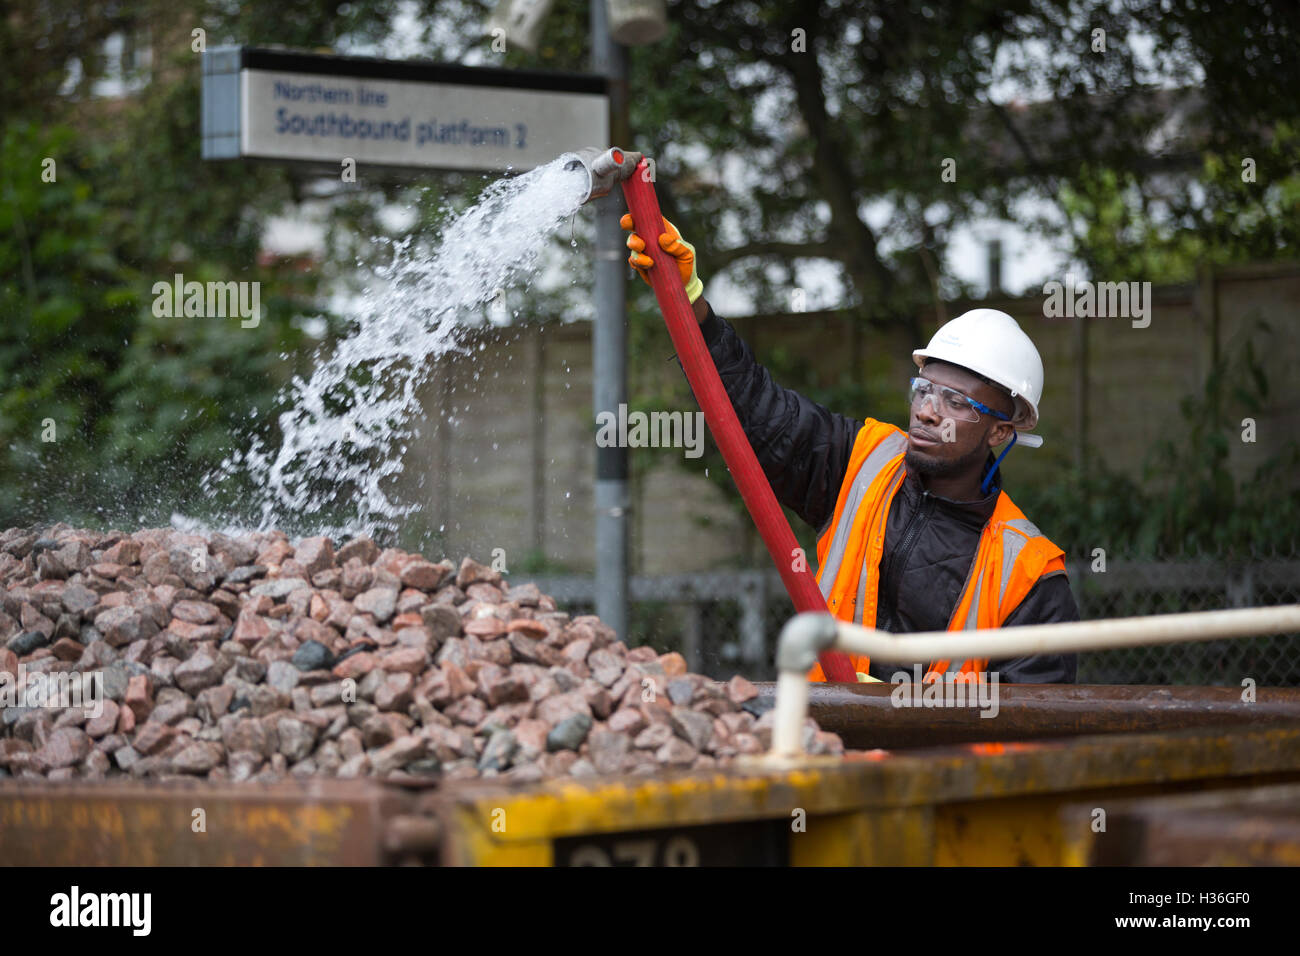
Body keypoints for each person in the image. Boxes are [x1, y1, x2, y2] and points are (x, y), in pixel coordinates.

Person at [621, 214, 1078, 684]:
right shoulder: (861, 462)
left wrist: (900, 717)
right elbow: (755, 409)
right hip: (821, 746)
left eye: (955, 402)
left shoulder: (1030, 576)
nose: (926, 411)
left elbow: (1030, 734)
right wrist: (688, 298)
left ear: (1001, 432)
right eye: (923, 389)